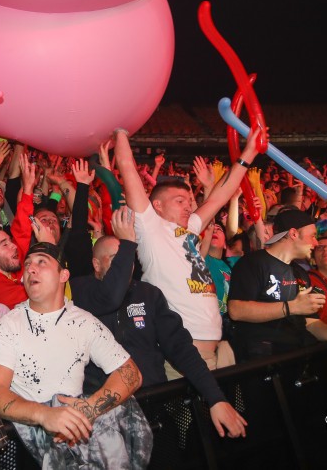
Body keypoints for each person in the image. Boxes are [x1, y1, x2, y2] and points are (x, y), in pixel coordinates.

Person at [67, 207, 247, 438]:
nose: (126, 265)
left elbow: (180, 347)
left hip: (153, 406)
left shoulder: (149, 294)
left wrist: (215, 398)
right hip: (104, 414)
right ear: (96, 264)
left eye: (129, 258)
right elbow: (111, 297)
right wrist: (128, 244)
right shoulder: (80, 291)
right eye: (116, 259)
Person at [0, 241, 151, 469]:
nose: (30, 269)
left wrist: (90, 409)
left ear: (63, 275)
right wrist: (45, 415)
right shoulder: (7, 326)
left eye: (41, 262)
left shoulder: (84, 322)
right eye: (27, 264)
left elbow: (130, 373)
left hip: (78, 439)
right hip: (29, 446)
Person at [113, 127, 263, 372]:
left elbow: (219, 196)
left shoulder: (191, 228)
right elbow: (127, 167)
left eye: (188, 200)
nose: (187, 206)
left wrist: (249, 152)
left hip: (218, 349)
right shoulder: (151, 229)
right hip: (185, 355)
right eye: (179, 201)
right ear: (157, 206)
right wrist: (120, 130)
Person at [228, 210, 327, 359]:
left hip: (296, 354)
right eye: (312, 236)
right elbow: (236, 310)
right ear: (293, 234)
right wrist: (291, 307)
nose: (316, 243)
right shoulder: (253, 262)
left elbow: (310, 323)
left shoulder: (300, 273)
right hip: (261, 358)